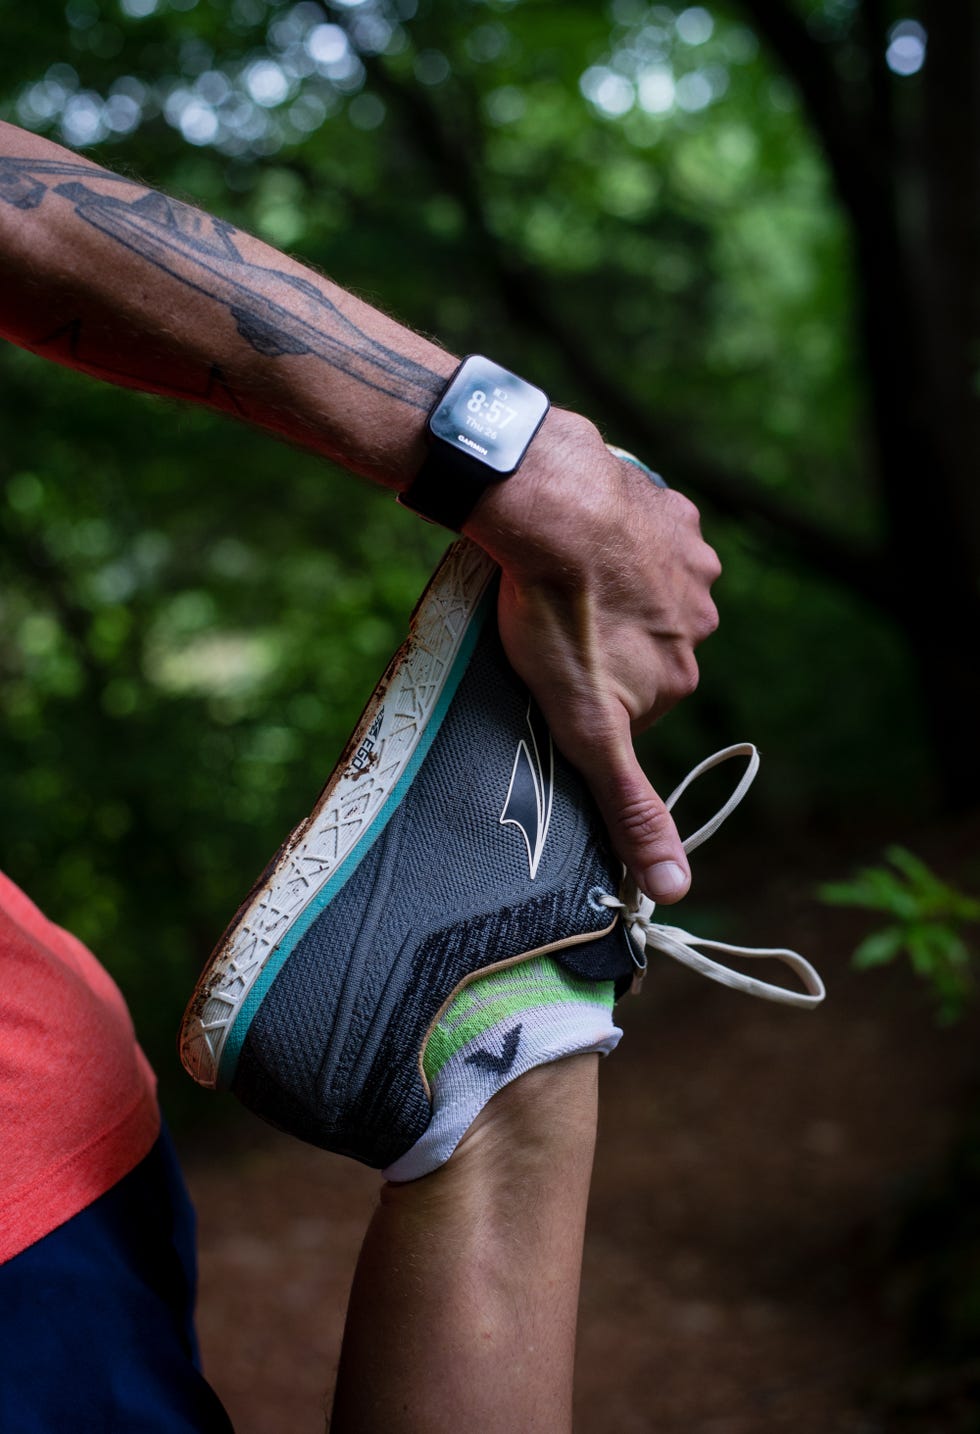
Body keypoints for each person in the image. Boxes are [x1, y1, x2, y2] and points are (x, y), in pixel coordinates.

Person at [0, 117, 722, 1432]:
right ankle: (492, 1017)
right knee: (508, 1084)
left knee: (504, 1069)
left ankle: (490, 1013)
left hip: (42, 1160)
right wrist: (520, 456)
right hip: (26, 1171)